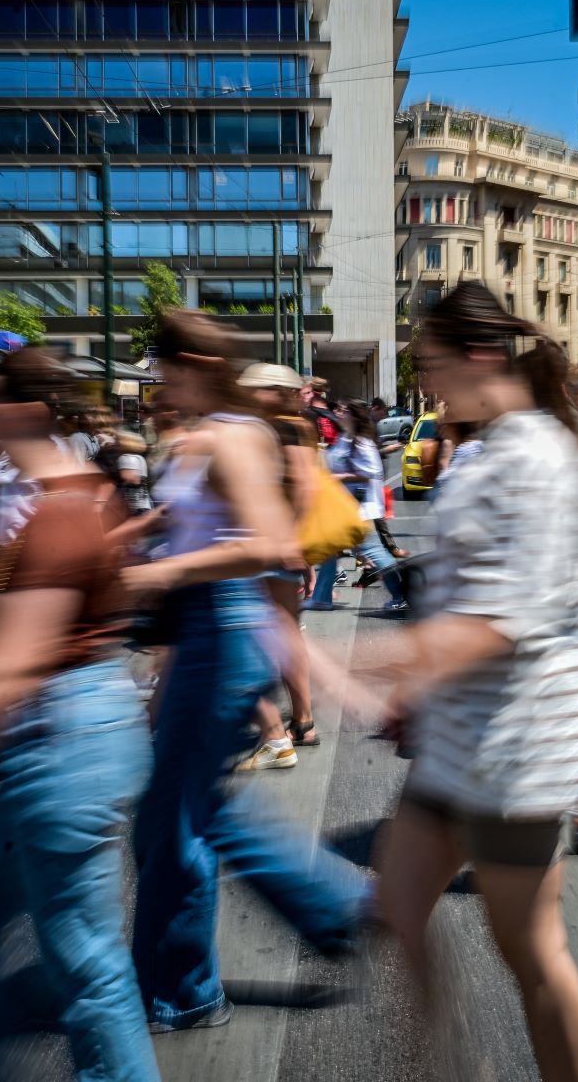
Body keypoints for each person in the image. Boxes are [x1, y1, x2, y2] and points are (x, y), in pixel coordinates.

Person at [366, 282, 578, 1082]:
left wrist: (357, 664)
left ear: (478, 356)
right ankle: (450, 1066)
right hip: (457, 736)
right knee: (400, 907)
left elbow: (506, 617)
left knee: (531, 954)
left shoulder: (536, 453)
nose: (425, 383)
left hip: (518, 746)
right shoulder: (479, 450)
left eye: (430, 363)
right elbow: (464, 590)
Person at [124, 311, 367, 1033]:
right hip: (212, 630)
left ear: (193, 361)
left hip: (223, 629)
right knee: (196, 807)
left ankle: (183, 991)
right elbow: (200, 523)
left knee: (170, 823)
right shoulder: (212, 434)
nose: (156, 382)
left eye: (162, 367)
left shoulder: (231, 435)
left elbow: (270, 546)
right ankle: (334, 902)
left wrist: (160, 570)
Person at [0, 348, 159, 1082]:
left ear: (24, 412)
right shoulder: (86, 492)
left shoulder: (62, 513)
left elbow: (20, 656)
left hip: (62, 737)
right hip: (65, 731)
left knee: (90, 965)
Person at [234, 362, 322, 771]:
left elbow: (304, 484)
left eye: (257, 390)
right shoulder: (292, 424)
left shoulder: (284, 426)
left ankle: (291, 724)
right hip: (275, 541)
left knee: (272, 632)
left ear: (274, 391)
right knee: (286, 631)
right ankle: (300, 722)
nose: (249, 395)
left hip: (273, 542)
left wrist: (293, 540)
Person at [307, 400, 408, 615]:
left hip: (359, 509)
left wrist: (340, 476)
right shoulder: (346, 438)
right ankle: (322, 598)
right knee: (329, 551)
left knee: (375, 552)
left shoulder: (362, 442)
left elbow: (372, 472)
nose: (339, 414)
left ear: (354, 416)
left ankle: (401, 595)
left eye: (344, 411)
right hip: (344, 507)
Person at [301, 376, 339, 447]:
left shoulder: (310, 413)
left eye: (310, 392)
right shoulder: (333, 408)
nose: (311, 395)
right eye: (307, 393)